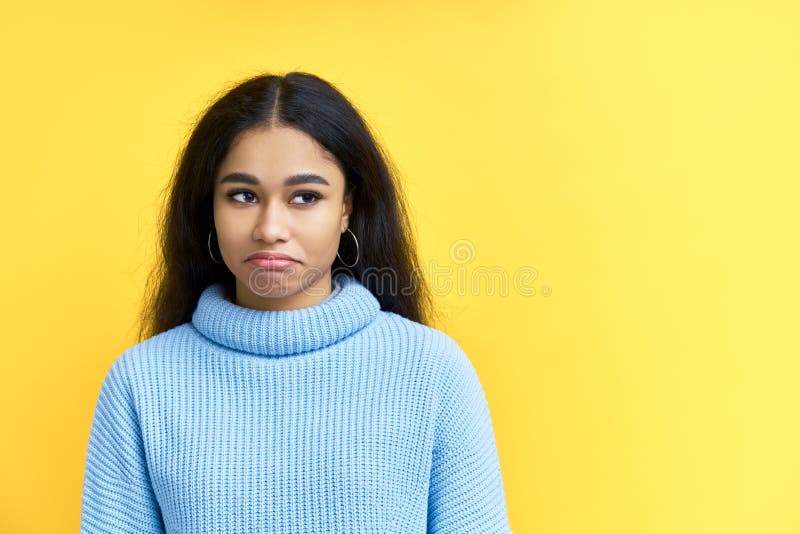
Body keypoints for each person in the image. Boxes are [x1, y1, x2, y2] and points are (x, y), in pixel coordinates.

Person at [80, 71, 511, 533]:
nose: (270, 228)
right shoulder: (141, 384)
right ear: (210, 207)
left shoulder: (432, 371)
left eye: (305, 197)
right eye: (243, 195)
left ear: (347, 208)